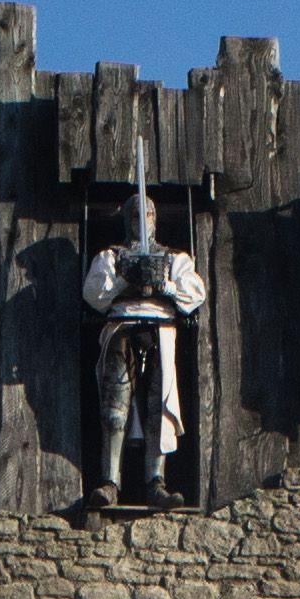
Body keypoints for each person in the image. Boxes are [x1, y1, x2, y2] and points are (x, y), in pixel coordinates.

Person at [83, 183, 205, 506]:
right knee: (115, 410)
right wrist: (126, 279)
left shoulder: (173, 258)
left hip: (160, 330)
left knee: (157, 408)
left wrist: (162, 284)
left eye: (148, 214)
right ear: (128, 221)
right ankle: (110, 482)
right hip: (123, 325)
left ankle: (155, 482)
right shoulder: (112, 257)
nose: (143, 220)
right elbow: (94, 294)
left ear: (155, 219)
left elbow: (195, 294)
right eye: (136, 215)